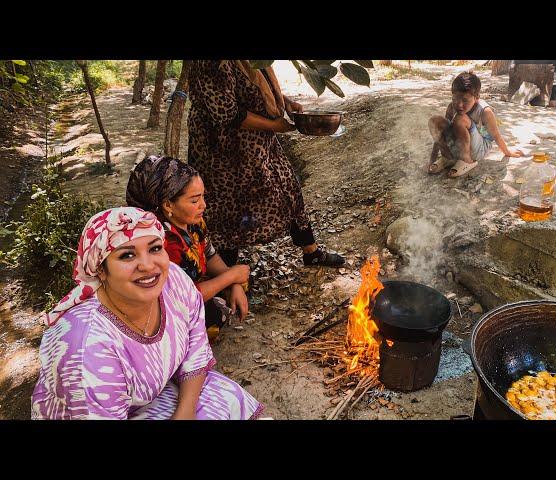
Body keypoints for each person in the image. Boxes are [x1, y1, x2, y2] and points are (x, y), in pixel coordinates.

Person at [31, 207, 264, 420]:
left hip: (154, 397)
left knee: (226, 397)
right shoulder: (87, 346)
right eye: (127, 255)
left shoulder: (173, 280)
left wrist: (184, 413)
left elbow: (196, 350)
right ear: (101, 270)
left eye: (154, 248)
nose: (148, 265)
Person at [187, 60, 345, 268]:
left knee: (288, 187)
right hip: (222, 149)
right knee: (225, 207)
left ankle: (311, 251)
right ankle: (223, 275)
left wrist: (286, 103)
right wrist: (273, 125)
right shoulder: (212, 63)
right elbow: (225, 112)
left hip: (257, 142)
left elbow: (258, 88)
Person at [126, 155, 249, 341]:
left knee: (242, 283)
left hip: (193, 289)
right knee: (214, 313)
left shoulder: (192, 222)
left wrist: (234, 282)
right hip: (170, 305)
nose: (203, 205)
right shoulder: (160, 243)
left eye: (202, 197)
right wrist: (231, 276)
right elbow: (182, 297)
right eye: (194, 200)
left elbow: (209, 254)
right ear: (168, 205)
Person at [424, 71, 524, 178]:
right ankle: (448, 158)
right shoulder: (451, 107)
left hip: (479, 149)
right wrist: (432, 159)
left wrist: (508, 153)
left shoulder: (485, 112)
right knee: (435, 121)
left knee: (460, 119)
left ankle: (467, 160)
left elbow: (496, 136)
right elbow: (441, 133)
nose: (459, 105)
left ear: (476, 97)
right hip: (459, 145)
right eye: (455, 99)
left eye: (465, 100)